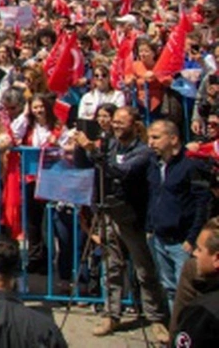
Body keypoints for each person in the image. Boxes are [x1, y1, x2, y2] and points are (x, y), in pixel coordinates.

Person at [73, 106, 170, 341]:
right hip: (108, 213)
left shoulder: (143, 151)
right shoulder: (110, 144)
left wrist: (91, 150)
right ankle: (111, 315)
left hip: (133, 216)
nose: (115, 125)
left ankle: (156, 318)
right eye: (114, 121)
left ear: (134, 125)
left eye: (121, 122)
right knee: (111, 268)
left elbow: (120, 171)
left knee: (144, 270)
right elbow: (95, 170)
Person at [146, 119, 212, 307]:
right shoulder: (155, 165)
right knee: (169, 288)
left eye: (156, 138)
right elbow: (153, 196)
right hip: (159, 238)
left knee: (188, 290)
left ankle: (190, 331)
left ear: (173, 139)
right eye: (149, 138)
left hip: (182, 242)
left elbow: (202, 204)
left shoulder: (191, 166)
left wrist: (192, 239)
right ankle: (176, 330)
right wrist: (150, 228)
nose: (151, 143)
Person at [172, 217, 219, 338]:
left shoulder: (203, 310)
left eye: (199, 249)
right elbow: (178, 323)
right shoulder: (192, 269)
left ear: (217, 258)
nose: (194, 253)